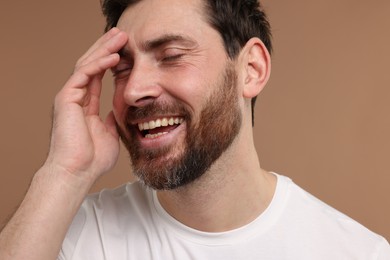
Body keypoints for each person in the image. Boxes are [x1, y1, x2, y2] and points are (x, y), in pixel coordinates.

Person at [0, 0, 389, 259]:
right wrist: (65, 172)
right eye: (121, 68)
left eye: (171, 56)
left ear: (250, 70)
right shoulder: (74, 236)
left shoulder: (356, 252)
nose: (134, 90)